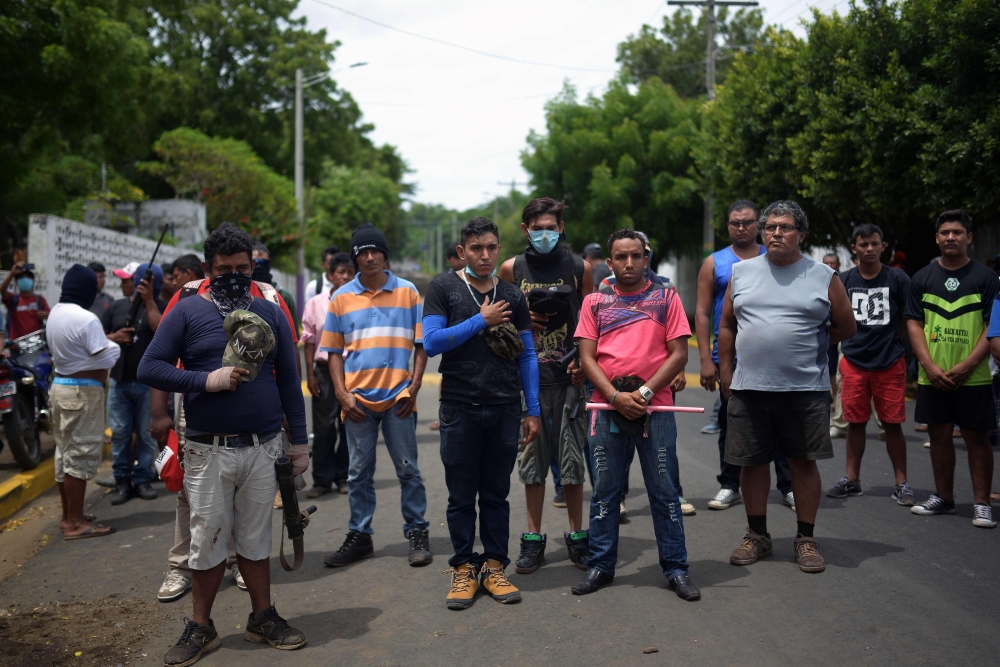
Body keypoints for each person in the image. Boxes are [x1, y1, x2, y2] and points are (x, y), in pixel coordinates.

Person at [139, 223, 309, 664]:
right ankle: (201, 627)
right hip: (205, 448)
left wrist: (300, 444)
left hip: (263, 445)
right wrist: (205, 380)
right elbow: (150, 367)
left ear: (252, 266)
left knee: (255, 539)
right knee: (207, 541)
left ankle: (263, 617)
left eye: (241, 267)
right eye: (223, 269)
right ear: (208, 270)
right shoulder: (187, 312)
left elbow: (290, 379)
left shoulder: (270, 310)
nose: (233, 275)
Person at [719, 200, 856, 574]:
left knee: (802, 461)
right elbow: (728, 324)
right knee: (752, 461)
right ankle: (757, 535)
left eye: (785, 227)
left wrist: (807, 346)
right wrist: (726, 370)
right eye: (771, 227)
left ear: (802, 234)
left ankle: (806, 539)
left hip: (804, 389)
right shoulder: (741, 272)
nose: (776, 233)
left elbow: (846, 327)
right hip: (749, 388)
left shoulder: (824, 276)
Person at [569, 228, 698, 600]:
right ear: (608, 263)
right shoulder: (593, 303)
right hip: (605, 409)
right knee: (606, 493)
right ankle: (601, 566)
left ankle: (676, 568)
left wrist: (641, 393)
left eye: (636, 256)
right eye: (621, 257)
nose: (629, 263)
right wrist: (614, 395)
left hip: (654, 410)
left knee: (664, 492)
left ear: (646, 258)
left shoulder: (666, 299)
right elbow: (587, 358)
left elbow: (679, 355)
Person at [422, 216, 540, 609]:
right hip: (459, 407)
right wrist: (481, 320)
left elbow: (527, 356)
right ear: (462, 251)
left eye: (491, 247)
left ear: (498, 248)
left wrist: (532, 409)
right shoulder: (444, 287)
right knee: (460, 496)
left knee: (496, 494)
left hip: (505, 407)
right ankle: (462, 569)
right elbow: (432, 342)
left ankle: (493, 566)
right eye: (476, 248)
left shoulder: (513, 295)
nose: (485, 255)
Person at [320, 223, 431, 568]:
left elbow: (421, 345)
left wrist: (413, 387)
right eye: (362, 252)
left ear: (385, 255)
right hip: (358, 404)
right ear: (355, 258)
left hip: (399, 399)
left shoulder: (408, 292)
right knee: (357, 473)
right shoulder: (340, 298)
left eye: (375, 251)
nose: (369, 257)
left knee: (408, 469)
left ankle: (417, 531)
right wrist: (342, 394)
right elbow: (333, 352)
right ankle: (360, 535)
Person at [497, 197, 592, 574]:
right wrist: (524, 319)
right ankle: (533, 540)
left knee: (572, 466)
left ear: (562, 228)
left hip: (569, 381)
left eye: (551, 228)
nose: (545, 234)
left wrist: (586, 366)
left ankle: (577, 537)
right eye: (538, 228)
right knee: (532, 466)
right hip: (528, 384)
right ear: (525, 231)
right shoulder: (512, 268)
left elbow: (589, 323)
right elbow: (498, 320)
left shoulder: (578, 267)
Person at [695, 199, 795, 512]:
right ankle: (729, 484)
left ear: (759, 225)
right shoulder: (715, 262)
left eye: (748, 222)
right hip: (731, 360)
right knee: (732, 423)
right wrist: (705, 360)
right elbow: (701, 312)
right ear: (728, 226)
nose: (741, 227)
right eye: (735, 222)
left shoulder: (777, 257)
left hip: (773, 358)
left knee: (781, 424)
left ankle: (788, 485)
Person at [907, 209, 997, 528]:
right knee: (940, 435)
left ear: (969, 238)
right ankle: (944, 498)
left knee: (976, 437)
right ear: (936, 238)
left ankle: (982, 503)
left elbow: (992, 326)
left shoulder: (986, 279)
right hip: (932, 376)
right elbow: (914, 324)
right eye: (944, 232)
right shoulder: (921, 278)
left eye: (957, 232)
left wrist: (967, 365)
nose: (950, 237)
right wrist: (928, 366)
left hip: (974, 377)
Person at [826, 224, 913, 505]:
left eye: (874, 244)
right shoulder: (845, 279)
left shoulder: (898, 279)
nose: (869, 249)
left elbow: (905, 319)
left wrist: (889, 342)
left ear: (883, 246)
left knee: (892, 424)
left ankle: (902, 482)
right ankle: (852, 479)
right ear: (854, 249)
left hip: (889, 361)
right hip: (853, 361)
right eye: (863, 245)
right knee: (855, 423)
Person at [47, 264, 121, 539]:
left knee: (64, 454)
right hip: (82, 392)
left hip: (60, 387)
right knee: (79, 456)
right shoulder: (86, 319)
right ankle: (76, 524)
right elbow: (106, 355)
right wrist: (114, 344)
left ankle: (68, 516)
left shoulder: (56, 312)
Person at [101, 263, 166, 505]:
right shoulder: (116, 307)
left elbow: (161, 331)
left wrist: (149, 301)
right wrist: (114, 338)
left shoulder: (160, 307)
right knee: (119, 434)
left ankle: (142, 478)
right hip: (119, 382)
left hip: (148, 384)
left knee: (148, 435)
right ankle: (122, 480)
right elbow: (97, 337)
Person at [301, 252, 354, 498]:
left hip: (352, 369)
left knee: (348, 423)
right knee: (323, 427)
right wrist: (310, 375)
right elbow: (309, 342)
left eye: (349, 272)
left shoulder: (360, 301)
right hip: (323, 370)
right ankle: (321, 480)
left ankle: (344, 476)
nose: (344, 276)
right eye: (339, 272)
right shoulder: (315, 304)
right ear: (330, 275)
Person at [252, 242, 298, 331]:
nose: (258, 266)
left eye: (263, 262)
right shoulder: (241, 295)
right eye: (255, 261)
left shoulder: (283, 296)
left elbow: (293, 337)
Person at [1, 262, 49, 339]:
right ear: (16, 283)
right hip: (16, 346)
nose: (25, 279)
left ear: (32, 281)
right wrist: (12, 274)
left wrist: (47, 315)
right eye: (22, 277)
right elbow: (2, 290)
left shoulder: (39, 299)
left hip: (36, 345)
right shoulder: (13, 299)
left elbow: (51, 316)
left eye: (28, 277)